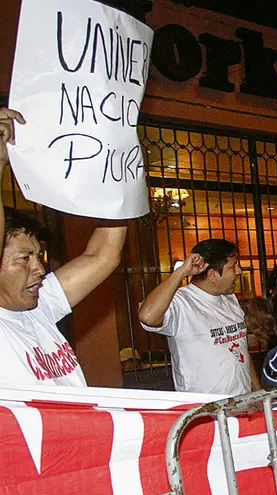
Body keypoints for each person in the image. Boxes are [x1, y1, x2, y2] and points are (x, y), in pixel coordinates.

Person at [0, 108, 128, 387]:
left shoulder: (39, 304)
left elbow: (102, 255)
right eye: (24, 258)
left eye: (38, 255)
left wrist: (118, 173)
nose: (40, 268)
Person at [138, 239, 260, 396]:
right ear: (213, 275)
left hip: (241, 403)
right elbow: (147, 316)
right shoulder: (181, 302)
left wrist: (258, 394)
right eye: (233, 266)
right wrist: (181, 272)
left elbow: (241, 350)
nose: (239, 271)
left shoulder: (230, 300)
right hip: (203, 409)